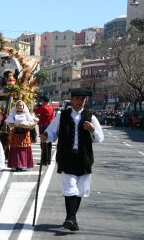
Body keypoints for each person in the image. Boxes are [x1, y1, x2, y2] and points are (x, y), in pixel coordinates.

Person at [41, 88, 104, 231]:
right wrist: (46, 136)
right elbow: (52, 132)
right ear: (72, 99)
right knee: (70, 188)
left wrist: (93, 130)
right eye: (78, 99)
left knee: (80, 190)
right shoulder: (62, 116)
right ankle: (70, 218)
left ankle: (72, 218)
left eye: (83, 99)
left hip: (84, 158)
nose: (80, 102)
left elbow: (100, 138)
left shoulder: (91, 116)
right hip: (67, 157)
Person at [5, 100, 37, 171]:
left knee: (23, 149)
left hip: (25, 135)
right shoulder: (13, 114)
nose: (19, 107)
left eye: (20, 105)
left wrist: (25, 125)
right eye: (18, 105)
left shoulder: (27, 114)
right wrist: (16, 125)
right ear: (15, 106)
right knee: (16, 150)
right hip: (16, 134)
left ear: (23, 106)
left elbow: (32, 122)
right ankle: (17, 165)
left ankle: (23, 164)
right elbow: (9, 122)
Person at [34, 95, 55, 165]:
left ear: (43, 101)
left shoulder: (44, 108)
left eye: (42, 101)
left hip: (43, 127)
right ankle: (48, 160)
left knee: (43, 144)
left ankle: (44, 161)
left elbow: (35, 111)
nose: (41, 102)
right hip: (50, 127)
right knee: (49, 144)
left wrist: (36, 104)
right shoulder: (51, 107)